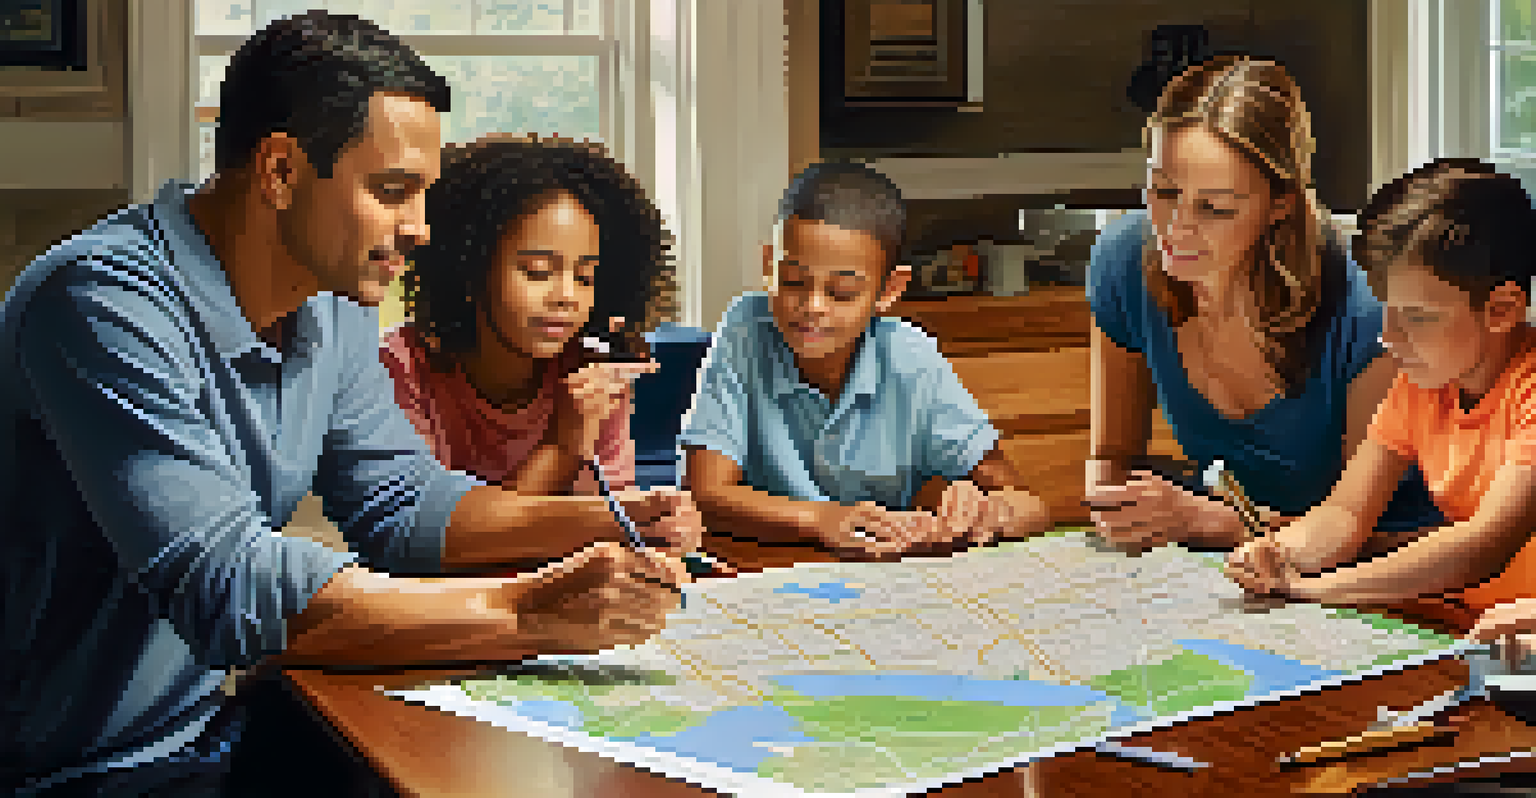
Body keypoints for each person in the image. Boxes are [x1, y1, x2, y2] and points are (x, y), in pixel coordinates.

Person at [0, 12, 697, 797]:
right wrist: (528, 610)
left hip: (210, 726)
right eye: (393, 191)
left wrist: (612, 520)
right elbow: (229, 584)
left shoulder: (331, 302)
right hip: (76, 769)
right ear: (281, 172)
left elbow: (402, 503)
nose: (421, 228)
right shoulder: (99, 304)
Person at [1084, 55, 1444, 556]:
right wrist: (1114, 509)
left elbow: (1353, 530)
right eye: (1164, 190)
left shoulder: (1367, 306)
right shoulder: (1125, 261)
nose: (1175, 227)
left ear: (1281, 203)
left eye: (1215, 207)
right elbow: (1112, 457)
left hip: (1394, 566)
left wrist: (1219, 523)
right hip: (1250, 555)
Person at [680, 162, 1052, 560]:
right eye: (792, 281)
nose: (812, 306)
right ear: (769, 265)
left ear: (888, 290)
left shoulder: (910, 357)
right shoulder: (745, 330)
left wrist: (990, 512)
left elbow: (1032, 507)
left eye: (841, 292)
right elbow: (705, 492)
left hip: (882, 575)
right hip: (765, 568)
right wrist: (823, 520)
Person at [1226, 158, 1536, 631]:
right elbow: (1346, 513)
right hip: (1470, 625)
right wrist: (1279, 551)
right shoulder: (1424, 382)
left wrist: (1312, 589)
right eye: (1387, 310)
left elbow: (1484, 545)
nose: (1388, 337)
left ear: (1502, 310)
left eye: (1418, 316)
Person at [381, 135, 668, 505]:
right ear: (468, 269)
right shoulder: (400, 368)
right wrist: (562, 448)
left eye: (586, 277)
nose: (566, 296)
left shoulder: (592, 377)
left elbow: (610, 520)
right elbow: (429, 529)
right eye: (537, 271)